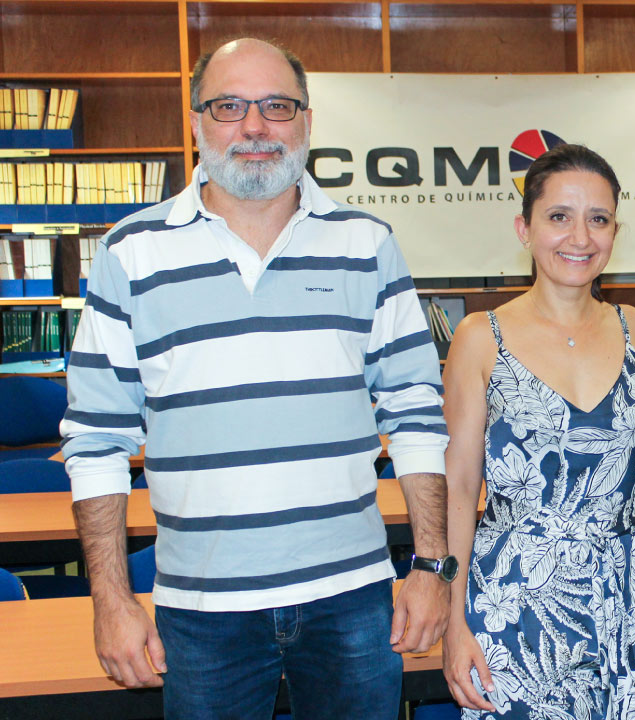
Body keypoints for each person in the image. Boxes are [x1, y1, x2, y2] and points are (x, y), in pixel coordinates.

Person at [60, 38, 452, 718]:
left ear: (306, 121)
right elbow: (96, 442)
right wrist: (112, 601)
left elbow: (415, 414)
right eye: (228, 106)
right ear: (195, 122)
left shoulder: (367, 243)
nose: (254, 127)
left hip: (353, 601)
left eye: (276, 106)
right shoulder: (130, 253)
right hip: (201, 611)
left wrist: (431, 567)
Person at [439, 143, 635, 719]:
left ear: (616, 230)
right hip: (518, 599)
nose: (580, 238)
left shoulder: (633, 327)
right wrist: (454, 616)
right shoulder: (479, 337)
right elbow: (460, 485)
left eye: (599, 219)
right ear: (525, 227)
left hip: (633, 592)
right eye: (559, 217)